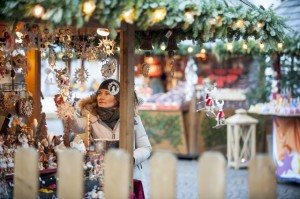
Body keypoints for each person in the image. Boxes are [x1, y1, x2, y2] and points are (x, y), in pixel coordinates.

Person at [55, 78, 152, 197]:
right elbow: (75, 126)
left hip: (129, 175)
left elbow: (146, 147)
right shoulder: (93, 118)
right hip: (102, 177)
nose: (101, 97)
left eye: (107, 93)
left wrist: (132, 158)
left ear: (117, 98)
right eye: (99, 93)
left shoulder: (133, 119)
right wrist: (67, 110)